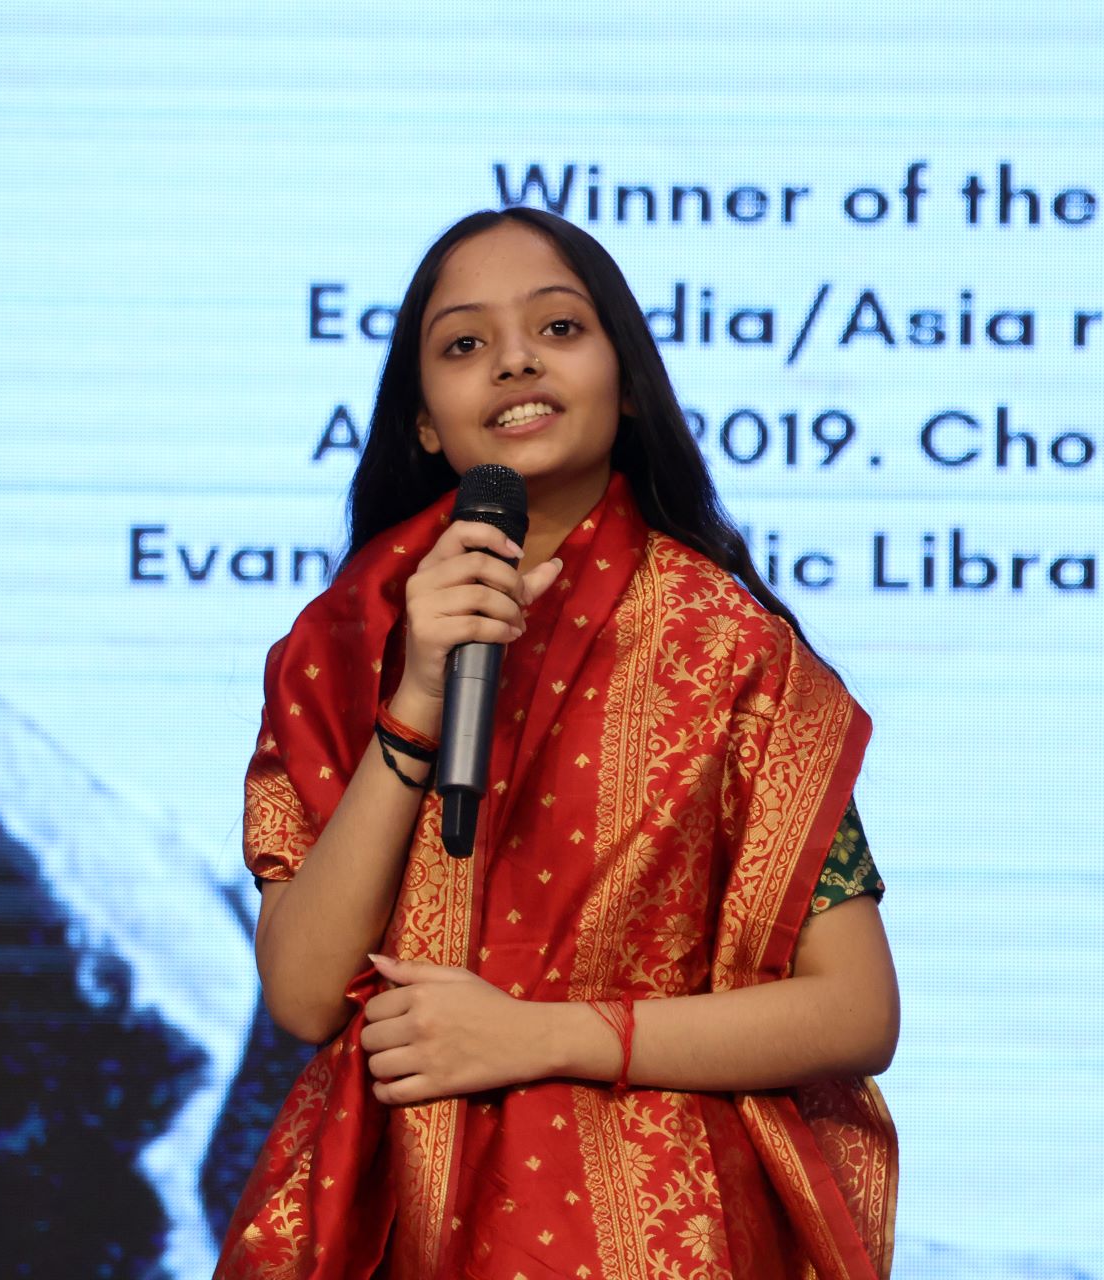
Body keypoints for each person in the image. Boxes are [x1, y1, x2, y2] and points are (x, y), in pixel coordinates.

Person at [217, 207, 898, 1279]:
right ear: (425, 426)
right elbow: (305, 991)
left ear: (626, 384)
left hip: (650, 1230)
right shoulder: (336, 647)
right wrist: (417, 697)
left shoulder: (729, 649)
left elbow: (857, 1007)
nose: (515, 359)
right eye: (463, 343)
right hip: (395, 1215)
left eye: (559, 328)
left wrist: (543, 1034)